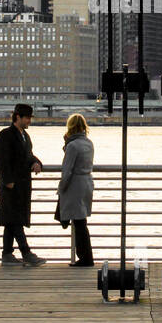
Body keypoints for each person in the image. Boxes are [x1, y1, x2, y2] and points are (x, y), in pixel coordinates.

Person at [0, 103, 46, 266]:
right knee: (15, 219)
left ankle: (7, 254)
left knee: (12, 220)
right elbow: (1, 160)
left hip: (22, 185)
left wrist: (37, 162)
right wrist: (8, 181)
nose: (29, 121)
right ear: (18, 117)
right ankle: (26, 252)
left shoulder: (25, 136)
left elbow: (28, 155)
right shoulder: (6, 135)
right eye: (27, 118)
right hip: (11, 185)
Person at [57, 114, 95, 267]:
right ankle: (86, 257)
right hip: (86, 182)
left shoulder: (72, 146)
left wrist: (61, 189)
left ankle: (85, 257)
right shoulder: (88, 143)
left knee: (78, 223)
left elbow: (67, 170)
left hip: (75, 185)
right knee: (81, 221)